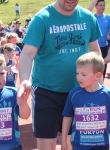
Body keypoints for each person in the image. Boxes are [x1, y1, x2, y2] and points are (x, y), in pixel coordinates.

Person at [17, 0, 110, 149]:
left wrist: (96, 83)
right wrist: (23, 81)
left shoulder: (87, 17)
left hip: (80, 92)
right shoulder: (42, 19)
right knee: (47, 146)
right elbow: (27, 54)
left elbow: (94, 51)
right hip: (47, 92)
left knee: (75, 144)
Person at [61, 52, 110, 150]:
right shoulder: (74, 94)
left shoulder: (107, 95)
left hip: (102, 145)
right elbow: (67, 117)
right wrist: (63, 141)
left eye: (83, 74)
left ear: (98, 75)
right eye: (77, 73)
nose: (79, 77)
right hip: (79, 146)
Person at [88, 0, 110, 79]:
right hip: (93, 48)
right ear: (95, 6)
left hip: (104, 48)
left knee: (102, 70)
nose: (102, 7)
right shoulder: (91, 17)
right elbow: (87, 11)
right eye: (100, 5)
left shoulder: (108, 18)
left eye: (103, 5)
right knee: (92, 69)